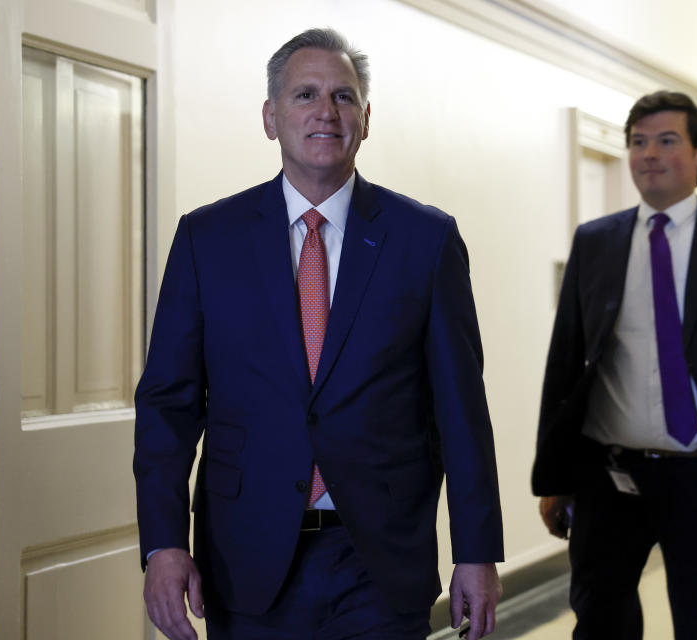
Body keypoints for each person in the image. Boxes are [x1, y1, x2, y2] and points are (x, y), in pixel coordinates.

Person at [133, 28, 504, 640]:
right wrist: (163, 544)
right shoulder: (208, 239)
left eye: (344, 96)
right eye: (305, 95)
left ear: (365, 118)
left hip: (381, 562)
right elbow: (167, 406)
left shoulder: (424, 241)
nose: (326, 112)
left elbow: (460, 411)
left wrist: (476, 548)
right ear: (270, 117)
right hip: (245, 558)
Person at [532, 90, 697, 639]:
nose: (648, 154)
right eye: (637, 142)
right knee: (600, 621)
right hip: (610, 476)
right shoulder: (596, 241)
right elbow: (565, 361)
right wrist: (556, 475)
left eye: (666, 140)